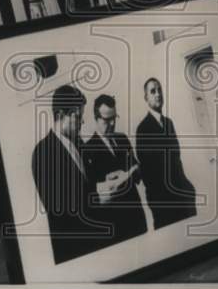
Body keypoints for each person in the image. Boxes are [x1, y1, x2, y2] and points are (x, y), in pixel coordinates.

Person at [31, 84, 112, 264]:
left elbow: (85, 183)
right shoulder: (42, 153)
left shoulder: (78, 142)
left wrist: (103, 182)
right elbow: (59, 207)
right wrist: (97, 197)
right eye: (78, 116)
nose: (82, 122)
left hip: (98, 241)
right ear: (60, 115)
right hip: (75, 249)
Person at [82, 94, 148, 244]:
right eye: (107, 119)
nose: (112, 123)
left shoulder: (122, 138)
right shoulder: (87, 150)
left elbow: (138, 172)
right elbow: (92, 192)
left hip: (137, 217)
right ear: (96, 118)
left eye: (114, 117)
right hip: (115, 224)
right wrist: (106, 182)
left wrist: (134, 170)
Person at [135, 78, 197, 229]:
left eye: (159, 90)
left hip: (182, 195)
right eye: (152, 91)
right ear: (146, 98)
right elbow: (149, 174)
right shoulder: (143, 129)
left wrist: (188, 187)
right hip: (164, 202)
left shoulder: (169, 123)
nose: (158, 94)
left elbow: (176, 160)